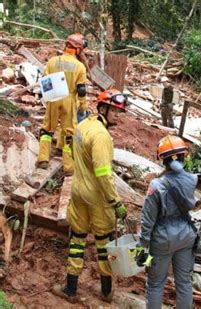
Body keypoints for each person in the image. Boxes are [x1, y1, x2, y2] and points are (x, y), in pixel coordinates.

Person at [52, 89, 128, 303]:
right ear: (103, 108)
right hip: (97, 198)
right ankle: (105, 291)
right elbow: (104, 175)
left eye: (119, 112)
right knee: (104, 242)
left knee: (77, 239)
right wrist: (116, 202)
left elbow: (71, 150)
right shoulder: (102, 136)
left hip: (78, 192)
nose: (117, 115)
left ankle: (70, 289)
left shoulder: (82, 126)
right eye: (114, 111)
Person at [136, 135, 198, 309]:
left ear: (162, 160)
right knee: (184, 283)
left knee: (156, 285)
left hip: (163, 238)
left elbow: (148, 220)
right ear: (183, 156)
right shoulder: (191, 180)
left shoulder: (156, 185)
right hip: (186, 235)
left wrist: (142, 246)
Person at [36, 33, 88, 175]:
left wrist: (46, 97)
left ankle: (43, 159)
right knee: (69, 132)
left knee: (47, 129)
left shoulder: (52, 61)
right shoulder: (79, 66)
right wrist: (83, 106)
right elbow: (81, 89)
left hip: (53, 97)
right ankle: (69, 167)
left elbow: (45, 80)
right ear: (78, 49)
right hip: (69, 100)